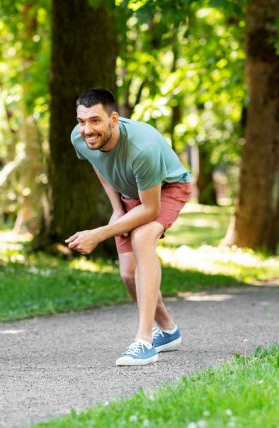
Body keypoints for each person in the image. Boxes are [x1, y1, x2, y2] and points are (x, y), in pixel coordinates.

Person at [65, 88, 192, 366]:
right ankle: (169, 331)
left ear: (113, 119)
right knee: (128, 274)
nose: (87, 129)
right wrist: (117, 209)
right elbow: (101, 166)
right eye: (82, 121)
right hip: (129, 194)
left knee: (142, 237)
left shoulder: (141, 148)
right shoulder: (81, 138)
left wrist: (99, 234)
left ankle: (144, 341)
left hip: (167, 188)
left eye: (95, 121)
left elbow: (151, 208)